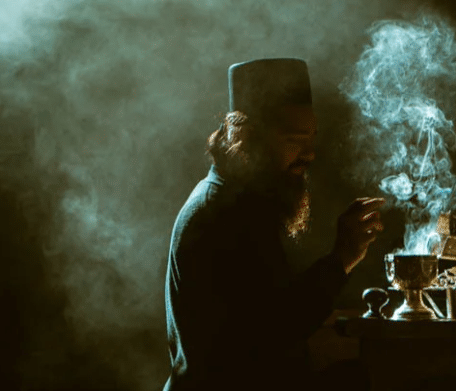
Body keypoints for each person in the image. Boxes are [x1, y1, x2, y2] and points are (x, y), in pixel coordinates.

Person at [163, 58, 384, 390]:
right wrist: (341, 259)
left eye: (312, 138)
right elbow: (272, 330)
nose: (309, 153)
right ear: (247, 137)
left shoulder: (243, 202)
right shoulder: (221, 214)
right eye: (295, 139)